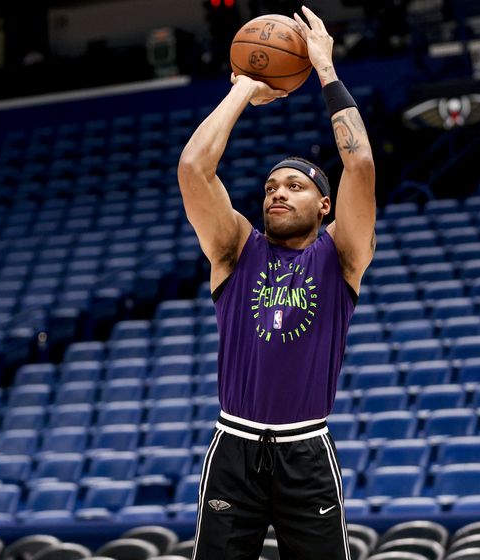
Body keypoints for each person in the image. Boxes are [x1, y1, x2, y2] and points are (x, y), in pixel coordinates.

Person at [177, 6, 375, 560]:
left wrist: (326, 71)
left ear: (325, 204)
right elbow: (194, 169)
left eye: (295, 185)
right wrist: (245, 88)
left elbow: (358, 164)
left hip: (306, 450)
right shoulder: (235, 249)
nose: (278, 194)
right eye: (270, 187)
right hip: (233, 445)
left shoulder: (341, 255)